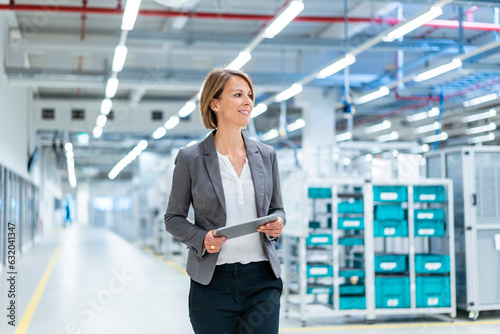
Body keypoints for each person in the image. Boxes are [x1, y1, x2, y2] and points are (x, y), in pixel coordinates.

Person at [164, 67, 286, 334]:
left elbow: (278, 208)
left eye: (250, 95)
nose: (248, 101)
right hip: (212, 283)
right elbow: (173, 218)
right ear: (215, 103)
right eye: (238, 94)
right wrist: (202, 238)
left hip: (262, 280)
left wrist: (278, 223)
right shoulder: (191, 158)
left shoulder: (266, 155)